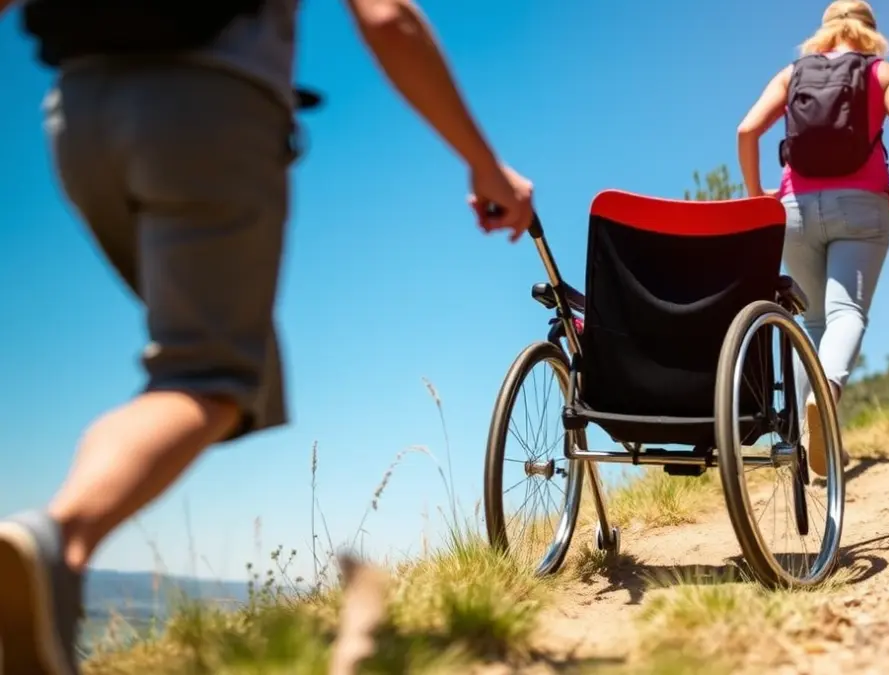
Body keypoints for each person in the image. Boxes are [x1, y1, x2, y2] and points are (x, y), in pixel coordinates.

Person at [0, 1, 534, 672]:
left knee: (195, 361)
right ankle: (58, 539)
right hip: (206, 110)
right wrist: (484, 162)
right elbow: (388, 17)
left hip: (76, 119)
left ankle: (50, 595)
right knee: (204, 376)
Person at [735, 0, 889, 478]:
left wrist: (756, 193)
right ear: (870, 33)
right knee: (848, 312)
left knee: (813, 321)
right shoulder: (882, 73)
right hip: (863, 204)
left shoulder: (792, 74)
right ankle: (828, 397)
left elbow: (746, 130)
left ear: (824, 34)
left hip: (794, 208)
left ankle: (803, 434)